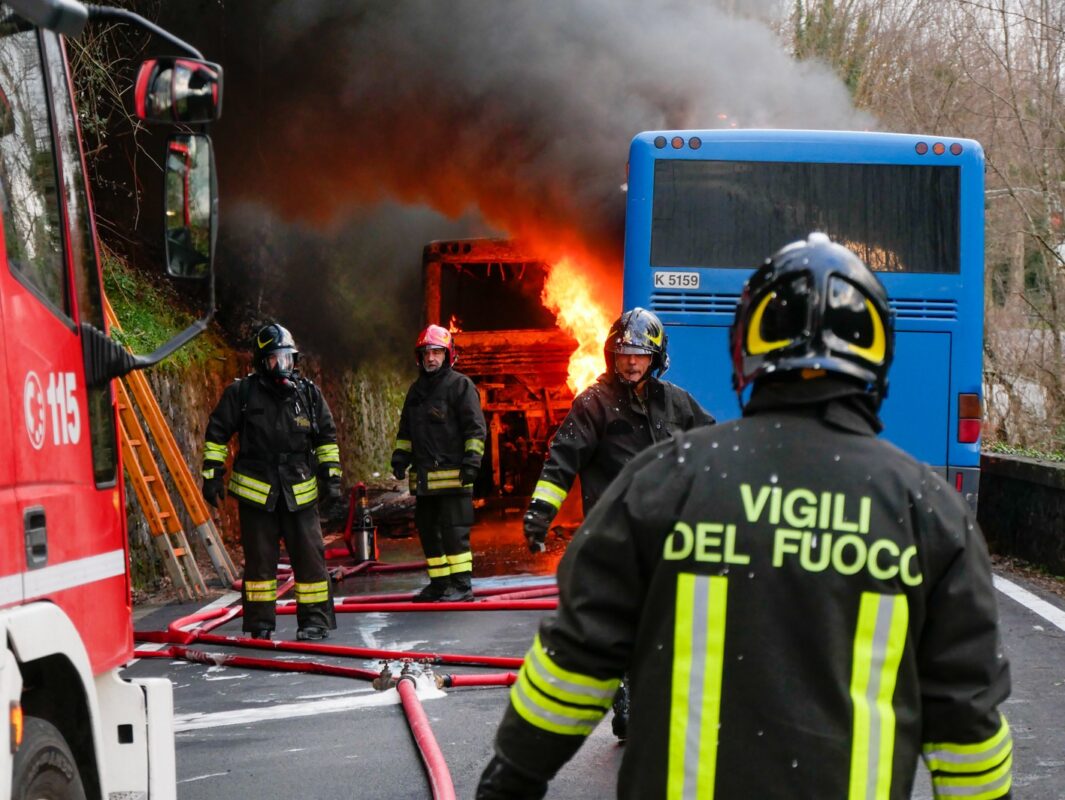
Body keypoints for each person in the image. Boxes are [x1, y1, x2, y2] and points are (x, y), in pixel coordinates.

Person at [477, 233, 1012, 800]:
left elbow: (572, 666)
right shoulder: (929, 511)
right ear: (878, 359)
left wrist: (509, 782)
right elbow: (968, 731)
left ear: (744, 353)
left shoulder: (660, 483)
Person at [522, 306, 715, 739]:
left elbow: (711, 443)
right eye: (625, 353)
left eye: (640, 354)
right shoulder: (594, 404)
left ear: (656, 357)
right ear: (612, 354)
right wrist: (539, 513)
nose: (631, 362)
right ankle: (625, 695)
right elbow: (561, 462)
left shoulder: (675, 401)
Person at [202, 323, 343, 641]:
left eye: (287, 358)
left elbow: (326, 438)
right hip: (257, 493)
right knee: (260, 564)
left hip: (299, 492)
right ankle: (259, 624)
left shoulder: (308, 395)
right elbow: (217, 434)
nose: (282, 365)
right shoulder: (242, 394)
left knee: (310, 560)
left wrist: (331, 479)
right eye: (275, 359)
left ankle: (315, 622)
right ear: (261, 361)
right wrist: (212, 475)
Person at [391, 324, 487, 603]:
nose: (431, 358)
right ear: (419, 357)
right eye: (426, 353)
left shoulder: (460, 386)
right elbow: (406, 431)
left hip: (454, 478)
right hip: (425, 482)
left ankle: (461, 586)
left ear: (448, 355)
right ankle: (439, 584)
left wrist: (472, 462)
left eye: (437, 352)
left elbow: (475, 429)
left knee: (454, 533)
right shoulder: (416, 392)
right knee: (429, 533)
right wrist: (400, 457)